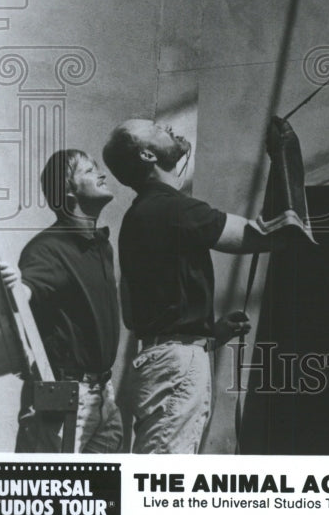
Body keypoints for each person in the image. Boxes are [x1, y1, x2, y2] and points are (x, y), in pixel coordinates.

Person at [102, 119, 282, 454]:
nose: (168, 127)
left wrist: (206, 334)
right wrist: (288, 166)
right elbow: (263, 237)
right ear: (147, 154)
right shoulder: (172, 208)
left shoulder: (140, 215)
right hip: (176, 366)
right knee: (162, 479)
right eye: (155, 128)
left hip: (165, 360)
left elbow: (133, 313)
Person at [0, 149, 123, 453]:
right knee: (52, 490)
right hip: (67, 400)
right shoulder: (48, 247)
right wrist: (15, 285)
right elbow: (25, 294)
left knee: (95, 495)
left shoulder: (101, 246)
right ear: (69, 193)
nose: (101, 173)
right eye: (88, 170)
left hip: (104, 397)